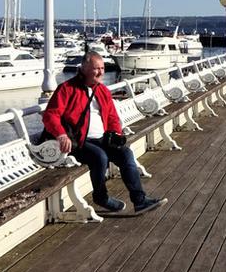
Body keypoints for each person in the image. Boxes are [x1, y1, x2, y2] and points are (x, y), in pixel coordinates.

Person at [42, 52, 166, 215]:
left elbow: (112, 116)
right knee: (100, 157)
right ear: (84, 68)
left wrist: (115, 133)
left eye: (102, 68)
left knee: (126, 155)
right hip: (78, 141)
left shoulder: (102, 90)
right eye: (96, 69)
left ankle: (140, 201)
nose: (101, 72)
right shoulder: (67, 89)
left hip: (102, 139)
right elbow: (51, 115)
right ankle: (101, 197)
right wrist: (61, 135)